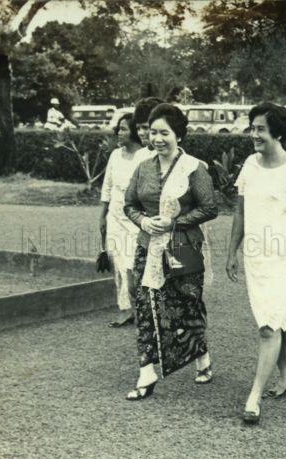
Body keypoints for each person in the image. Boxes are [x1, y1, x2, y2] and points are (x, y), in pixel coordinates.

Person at [226, 102, 286, 424]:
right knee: (272, 322)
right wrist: (231, 251)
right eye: (252, 128)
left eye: (260, 129)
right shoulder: (249, 164)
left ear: (277, 132)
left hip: (283, 258)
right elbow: (239, 211)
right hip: (255, 257)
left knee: (268, 327)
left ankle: (253, 396)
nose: (254, 134)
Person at [123, 103, 218, 400]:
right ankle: (146, 371)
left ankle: (201, 357)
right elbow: (129, 205)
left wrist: (175, 223)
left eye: (164, 132)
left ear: (178, 134)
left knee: (186, 307)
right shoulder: (143, 167)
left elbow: (210, 207)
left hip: (183, 250)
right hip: (147, 247)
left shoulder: (194, 168)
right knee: (145, 308)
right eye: (153, 133)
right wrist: (144, 221)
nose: (158, 138)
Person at [99, 112, 142, 328]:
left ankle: (143, 308)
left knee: (133, 266)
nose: (118, 132)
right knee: (117, 263)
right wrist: (103, 217)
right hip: (114, 216)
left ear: (134, 132)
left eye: (123, 128)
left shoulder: (146, 156)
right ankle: (126, 310)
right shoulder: (115, 155)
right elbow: (107, 187)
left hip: (135, 219)